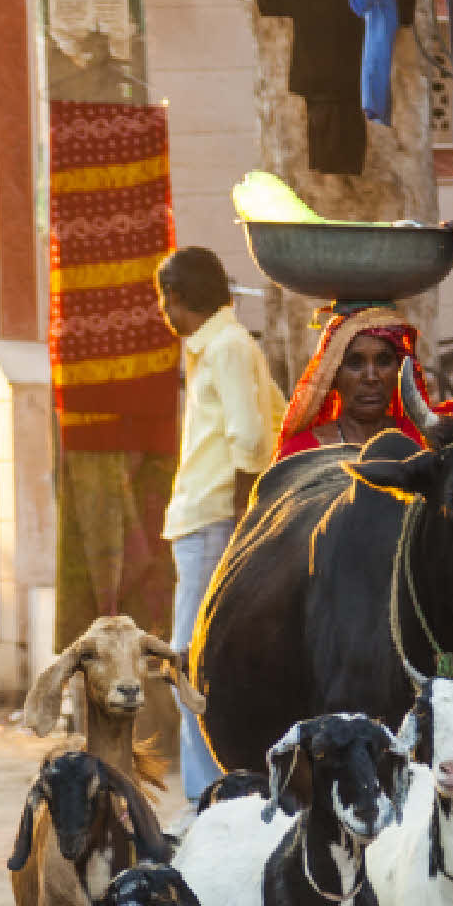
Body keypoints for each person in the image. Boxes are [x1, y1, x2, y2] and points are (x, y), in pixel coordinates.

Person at [154, 246, 282, 805]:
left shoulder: (227, 347)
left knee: (191, 659)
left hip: (212, 518)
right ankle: (217, 788)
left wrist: (238, 516)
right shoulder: (220, 346)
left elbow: (252, 439)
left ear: (178, 299)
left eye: (166, 301)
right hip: (203, 518)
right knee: (199, 658)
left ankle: (207, 795)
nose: (165, 312)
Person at [271, 219, 453, 457]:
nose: (371, 376)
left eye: (384, 361)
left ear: (402, 370)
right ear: (332, 375)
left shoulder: (428, 434)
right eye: (355, 363)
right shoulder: (302, 452)